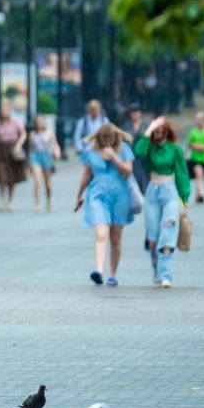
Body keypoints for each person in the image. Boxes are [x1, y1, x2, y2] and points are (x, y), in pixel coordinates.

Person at [73, 123, 135, 287]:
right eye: (104, 139)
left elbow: (128, 171)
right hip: (97, 195)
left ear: (115, 138)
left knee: (115, 237)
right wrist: (79, 196)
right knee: (101, 234)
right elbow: (87, 174)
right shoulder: (90, 152)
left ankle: (112, 274)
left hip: (119, 196)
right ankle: (98, 271)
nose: (107, 143)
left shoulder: (124, 149)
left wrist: (114, 156)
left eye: (110, 139)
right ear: (99, 138)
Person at [133, 116, 189, 289]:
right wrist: (149, 130)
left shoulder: (174, 149)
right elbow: (138, 152)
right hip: (152, 192)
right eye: (155, 131)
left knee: (167, 232)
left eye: (160, 130)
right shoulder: (149, 148)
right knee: (153, 239)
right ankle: (157, 270)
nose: (158, 134)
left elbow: (181, 172)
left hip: (169, 191)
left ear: (166, 131)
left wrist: (184, 196)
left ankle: (166, 275)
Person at [0, 103, 28, 212]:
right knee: (2, 177)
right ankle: (2, 200)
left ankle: (10, 201)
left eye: (6, 109)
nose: (4, 112)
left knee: (11, 177)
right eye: (2, 110)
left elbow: (23, 134)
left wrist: (19, 144)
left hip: (12, 150)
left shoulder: (16, 122)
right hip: (1, 151)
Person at [27, 115, 62, 212]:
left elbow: (55, 145)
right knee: (37, 181)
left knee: (48, 183)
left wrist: (57, 152)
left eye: (41, 121)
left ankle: (48, 200)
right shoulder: (32, 134)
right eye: (37, 121)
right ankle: (38, 204)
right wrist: (29, 162)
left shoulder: (49, 133)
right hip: (35, 157)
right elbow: (30, 149)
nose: (39, 123)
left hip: (46, 157)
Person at [122, 104, 151, 196]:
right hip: (131, 155)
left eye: (136, 112)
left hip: (144, 156)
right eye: (133, 112)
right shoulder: (126, 127)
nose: (135, 114)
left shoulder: (146, 125)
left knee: (146, 179)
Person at [186, 111, 204, 204]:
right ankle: (202, 193)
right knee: (199, 174)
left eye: (200, 120)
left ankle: (198, 195)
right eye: (197, 120)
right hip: (195, 158)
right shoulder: (193, 131)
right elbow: (189, 144)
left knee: (201, 177)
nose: (198, 122)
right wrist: (195, 146)